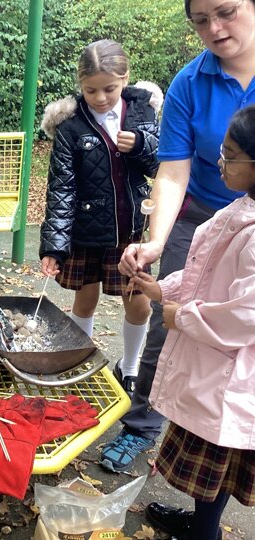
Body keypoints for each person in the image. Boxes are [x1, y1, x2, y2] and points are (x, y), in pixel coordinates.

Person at [101, 0, 255, 474]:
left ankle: (227, 436)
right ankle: (142, 424)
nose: (215, 28)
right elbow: (173, 170)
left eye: (226, 12)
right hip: (205, 219)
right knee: (169, 323)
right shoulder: (190, 82)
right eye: (201, 20)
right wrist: (156, 241)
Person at [127, 105, 255, 540]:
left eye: (231, 156)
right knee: (213, 464)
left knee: (219, 457)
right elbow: (206, 270)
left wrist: (181, 316)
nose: (220, 162)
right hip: (215, 371)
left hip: (234, 378)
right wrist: (162, 289)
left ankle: (204, 533)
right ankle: (203, 526)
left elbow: (246, 314)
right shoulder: (239, 207)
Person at [39, 39, 160, 396]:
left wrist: (140, 145)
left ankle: (130, 366)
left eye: (109, 88)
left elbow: (160, 166)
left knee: (139, 303)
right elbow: (61, 189)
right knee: (85, 300)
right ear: (80, 84)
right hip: (85, 230)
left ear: (125, 78)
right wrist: (54, 246)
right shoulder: (70, 126)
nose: (101, 97)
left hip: (130, 229)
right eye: (90, 90)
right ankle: (81, 364)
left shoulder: (143, 113)